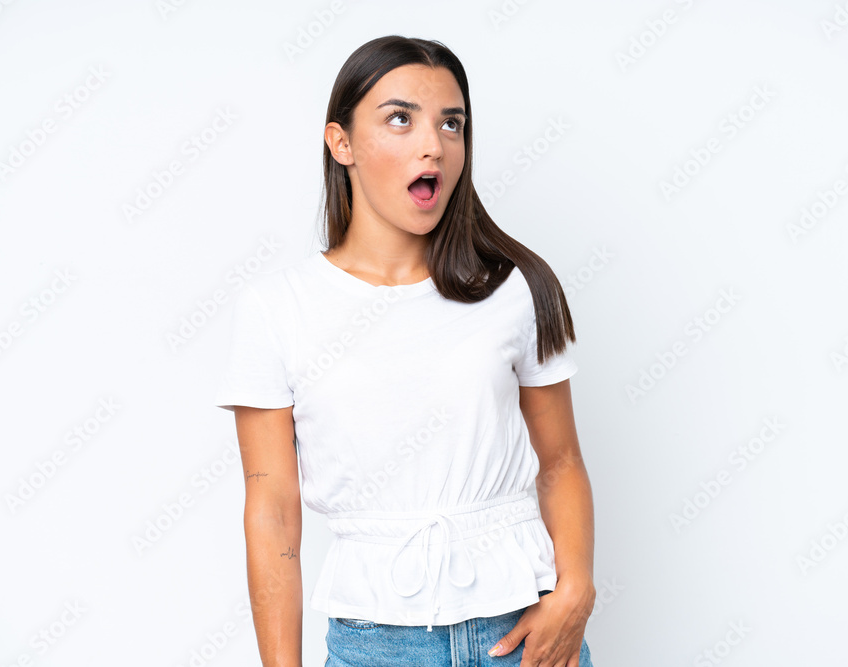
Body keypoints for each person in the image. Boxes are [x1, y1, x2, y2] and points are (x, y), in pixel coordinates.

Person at [214, 35, 596, 667]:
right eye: (401, 118)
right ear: (341, 144)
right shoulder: (277, 308)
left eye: (453, 123)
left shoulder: (514, 288)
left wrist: (576, 591)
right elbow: (272, 513)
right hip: (377, 644)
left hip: (524, 629)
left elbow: (561, 462)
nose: (433, 145)